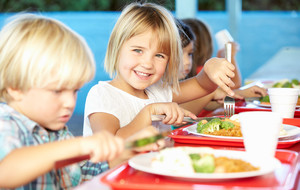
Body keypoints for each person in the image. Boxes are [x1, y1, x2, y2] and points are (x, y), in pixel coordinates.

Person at [0, 13, 128, 189]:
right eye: (57, 91)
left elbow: (81, 175)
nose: (70, 102)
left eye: (75, 90)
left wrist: (127, 152)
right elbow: (6, 172)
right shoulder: (6, 124)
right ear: (15, 87)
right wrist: (80, 145)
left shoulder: (58, 132)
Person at [83, 2, 237, 139]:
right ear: (116, 49)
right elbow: (111, 146)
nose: (148, 63)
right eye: (138, 50)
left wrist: (209, 68)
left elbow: (202, 85)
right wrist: (149, 112)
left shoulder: (157, 91)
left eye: (159, 55)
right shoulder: (102, 95)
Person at [176, 18, 267, 116]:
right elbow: (185, 111)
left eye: (190, 54)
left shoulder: (182, 83)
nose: (187, 62)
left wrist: (241, 94)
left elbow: (208, 102)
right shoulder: (198, 74)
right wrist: (228, 55)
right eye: (179, 53)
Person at [182, 18, 242, 88]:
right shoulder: (203, 73)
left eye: (189, 54)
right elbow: (233, 86)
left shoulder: (199, 72)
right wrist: (230, 56)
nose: (187, 62)